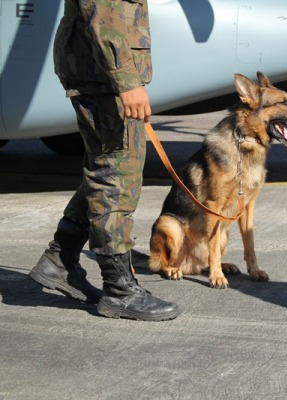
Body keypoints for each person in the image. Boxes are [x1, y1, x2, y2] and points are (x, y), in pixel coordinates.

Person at [29, 0, 181, 321]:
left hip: (100, 70)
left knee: (107, 169)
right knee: (117, 174)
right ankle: (119, 289)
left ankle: (61, 259)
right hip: (105, 75)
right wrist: (126, 80)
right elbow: (100, 7)